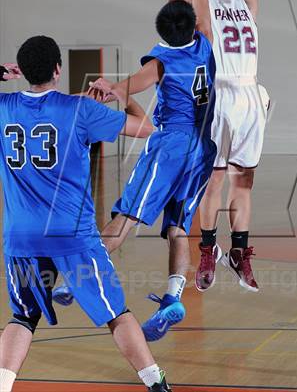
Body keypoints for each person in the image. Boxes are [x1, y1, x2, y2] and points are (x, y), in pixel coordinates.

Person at [0, 36, 172, 392]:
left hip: (21, 236)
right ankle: (156, 384)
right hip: (73, 235)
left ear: (22, 71)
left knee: (22, 317)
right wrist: (122, 95)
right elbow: (147, 131)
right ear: (58, 70)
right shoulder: (79, 110)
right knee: (116, 313)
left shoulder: (4, 106)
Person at [54, 0, 217, 342]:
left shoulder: (162, 61)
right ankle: (173, 297)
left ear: (162, 31)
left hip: (170, 145)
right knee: (177, 228)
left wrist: (108, 89)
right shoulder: (205, 43)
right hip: (203, 149)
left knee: (127, 216)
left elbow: (130, 84)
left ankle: (79, 276)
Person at [182, 0, 270, 293]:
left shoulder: (245, 3)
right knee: (214, 181)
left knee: (244, 181)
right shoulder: (204, 8)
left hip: (251, 95)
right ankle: (206, 248)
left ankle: (239, 250)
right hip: (220, 95)